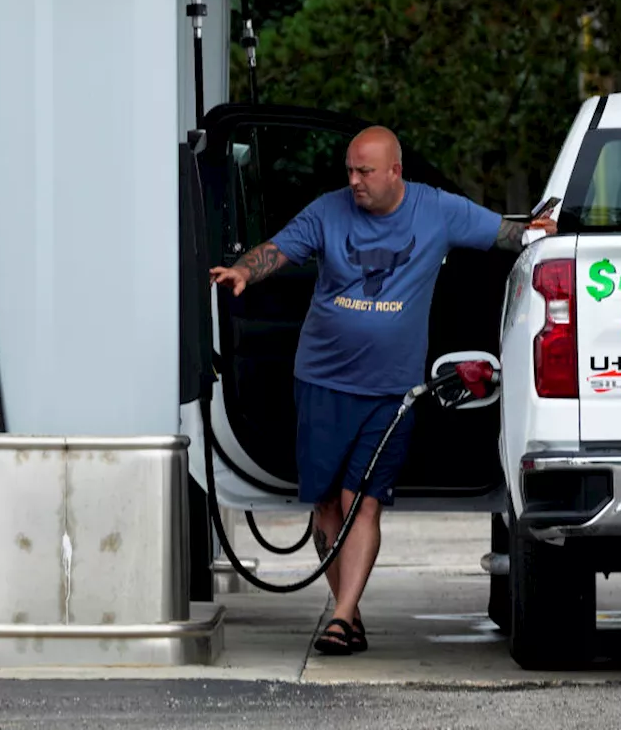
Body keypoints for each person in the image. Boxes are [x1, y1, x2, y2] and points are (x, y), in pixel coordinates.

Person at [208, 125, 556, 656]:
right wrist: (242, 272)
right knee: (326, 506)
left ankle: (342, 617)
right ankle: (349, 608)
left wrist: (542, 232)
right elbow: (278, 249)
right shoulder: (328, 211)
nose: (354, 181)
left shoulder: (437, 209)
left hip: (391, 392)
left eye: (364, 171)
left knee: (362, 501)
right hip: (320, 381)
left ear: (395, 170)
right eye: (349, 170)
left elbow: (506, 237)